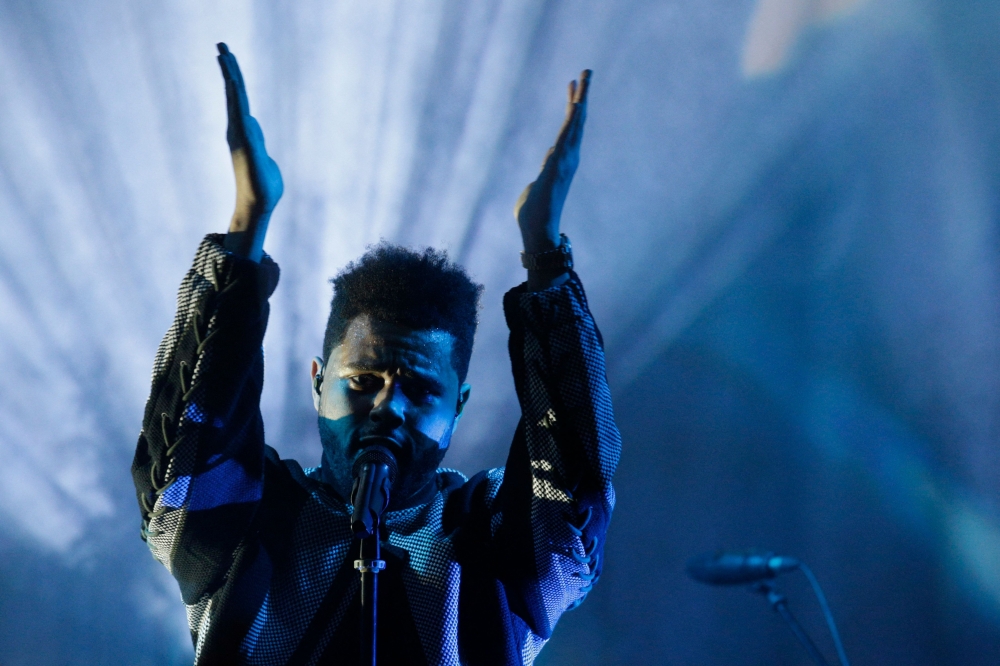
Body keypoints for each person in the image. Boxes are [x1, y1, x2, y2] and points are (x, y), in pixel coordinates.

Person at [132, 43, 620, 666]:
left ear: (458, 406)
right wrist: (245, 230)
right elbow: (181, 459)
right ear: (318, 381)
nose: (388, 407)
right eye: (363, 381)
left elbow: (573, 493)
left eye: (420, 391)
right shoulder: (251, 520)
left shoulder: (488, 538)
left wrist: (546, 258)